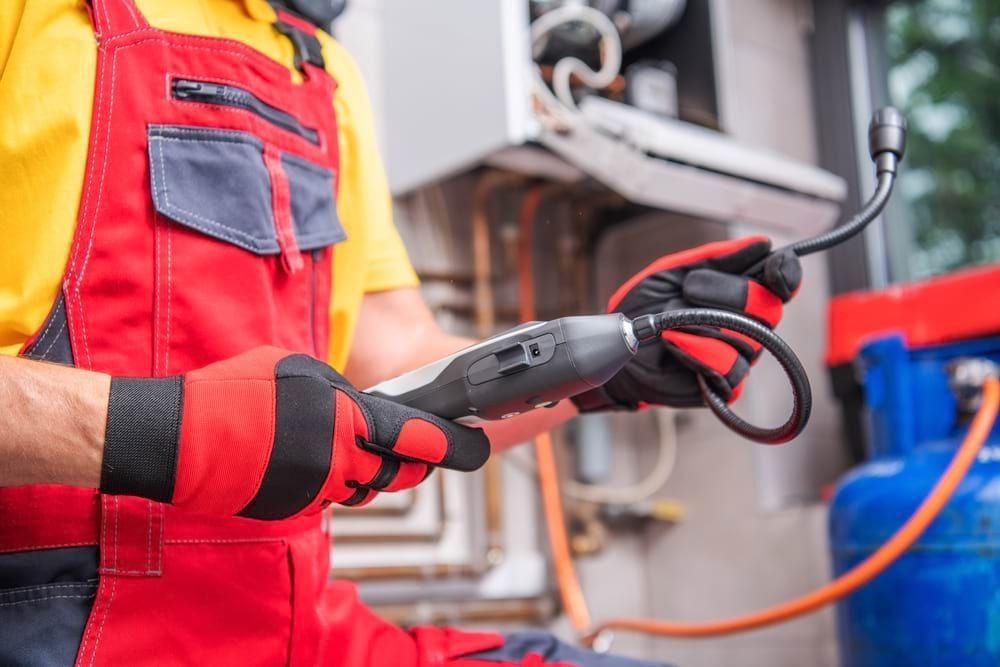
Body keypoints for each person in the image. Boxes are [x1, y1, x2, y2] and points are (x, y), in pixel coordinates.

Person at [0, 0, 801, 664]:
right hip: (46, 617)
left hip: (298, 632)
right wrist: (165, 432)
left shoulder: (325, 73)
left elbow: (412, 376)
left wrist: (610, 365)